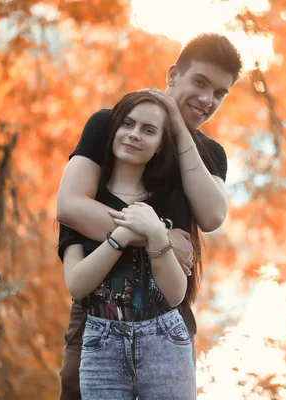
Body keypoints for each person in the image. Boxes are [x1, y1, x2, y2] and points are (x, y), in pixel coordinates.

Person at [56, 33, 242, 399]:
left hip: (167, 318)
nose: (207, 100)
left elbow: (212, 216)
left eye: (220, 93)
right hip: (97, 320)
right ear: (173, 75)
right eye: (200, 83)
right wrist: (157, 236)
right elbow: (71, 206)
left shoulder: (210, 155)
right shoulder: (112, 127)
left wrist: (178, 127)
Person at [60, 91, 201, 398]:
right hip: (101, 345)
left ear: (160, 145)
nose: (134, 135)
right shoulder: (85, 203)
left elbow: (175, 294)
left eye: (148, 130)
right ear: (113, 130)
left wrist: (157, 234)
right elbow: (77, 284)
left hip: (165, 340)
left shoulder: (171, 201)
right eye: (128, 124)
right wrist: (123, 235)